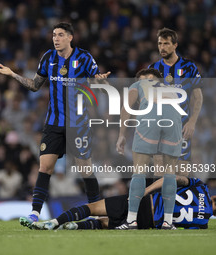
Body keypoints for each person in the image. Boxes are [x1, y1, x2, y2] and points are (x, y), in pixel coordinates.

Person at [0, 22, 110, 228]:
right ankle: (34, 214)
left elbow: (97, 88)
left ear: (70, 37)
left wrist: (101, 82)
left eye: (60, 35)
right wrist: (13, 74)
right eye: (54, 35)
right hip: (54, 123)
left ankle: (95, 212)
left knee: (85, 170)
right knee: (45, 167)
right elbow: (35, 85)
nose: (56, 38)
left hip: (78, 124)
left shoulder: (84, 58)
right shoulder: (48, 58)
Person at [114, 68, 183, 230]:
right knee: (170, 172)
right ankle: (168, 222)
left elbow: (126, 108)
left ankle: (131, 220)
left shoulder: (138, 84)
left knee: (139, 170)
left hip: (151, 114)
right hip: (174, 117)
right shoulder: (169, 88)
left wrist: (122, 135)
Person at [32, 175, 215, 230]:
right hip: (149, 223)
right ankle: (74, 227)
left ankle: (53, 223)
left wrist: (146, 190)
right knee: (103, 224)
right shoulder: (203, 222)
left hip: (144, 203)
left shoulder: (202, 187)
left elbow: (171, 180)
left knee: (91, 208)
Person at [149, 28, 203, 172]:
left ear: (175, 45)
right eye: (160, 44)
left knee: (182, 171)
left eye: (166, 44)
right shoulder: (153, 69)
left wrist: (192, 122)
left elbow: (198, 97)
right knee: (159, 170)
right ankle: (160, 195)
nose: (162, 47)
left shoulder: (189, 67)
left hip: (182, 125)